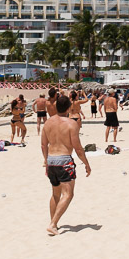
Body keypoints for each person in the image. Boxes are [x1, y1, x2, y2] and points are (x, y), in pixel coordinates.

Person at [40, 95, 91, 236]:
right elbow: (78, 148)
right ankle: (53, 224)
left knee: (56, 194)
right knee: (68, 194)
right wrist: (86, 164)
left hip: (51, 160)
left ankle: (53, 223)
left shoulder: (48, 123)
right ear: (69, 108)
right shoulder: (71, 124)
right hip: (64, 160)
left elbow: (44, 145)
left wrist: (46, 162)